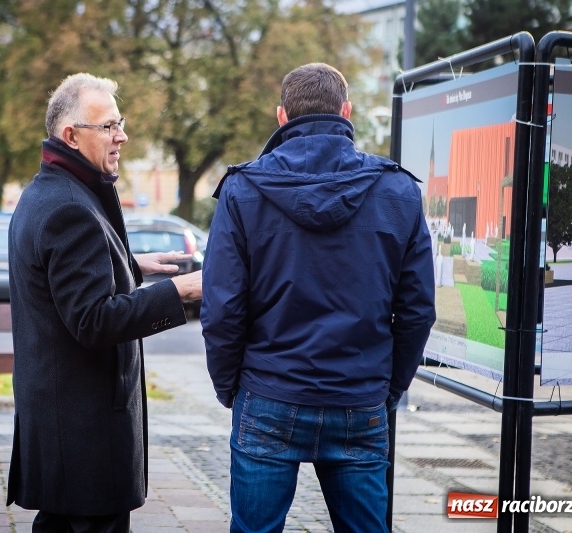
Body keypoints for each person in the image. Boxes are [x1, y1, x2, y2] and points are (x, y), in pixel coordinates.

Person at [201, 63, 436, 532]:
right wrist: (387, 389)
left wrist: (230, 387)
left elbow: (223, 308)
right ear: (346, 111)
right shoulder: (398, 190)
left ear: (282, 116)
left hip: (269, 390)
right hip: (358, 394)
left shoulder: (242, 190)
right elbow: (417, 309)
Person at [6, 73, 202, 532]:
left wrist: (128, 264)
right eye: (109, 126)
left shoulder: (47, 192)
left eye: (121, 122)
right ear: (71, 136)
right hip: (83, 431)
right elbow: (93, 320)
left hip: (62, 424)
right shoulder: (70, 208)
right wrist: (183, 290)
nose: (122, 135)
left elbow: (61, 280)